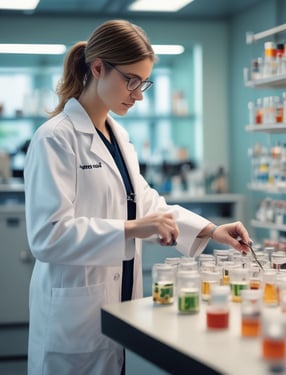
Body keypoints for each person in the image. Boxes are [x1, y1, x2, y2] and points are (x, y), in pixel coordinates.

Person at [24, 19, 252, 375]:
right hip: (73, 320)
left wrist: (211, 231)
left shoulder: (119, 136)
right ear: (98, 68)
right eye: (131, 80)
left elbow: (146, 203)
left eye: (143, 82)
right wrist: (130, 229)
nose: (139, 93)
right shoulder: (55, 138)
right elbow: (47, 236)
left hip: (116, 304)